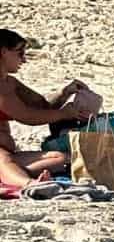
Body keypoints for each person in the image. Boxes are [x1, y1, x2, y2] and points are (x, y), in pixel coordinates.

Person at [0, 30, 96, 191]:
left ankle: (14, 176)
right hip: (3, 156)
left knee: (61, 158)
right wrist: (64, 114)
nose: (24, 59)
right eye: (19, 53)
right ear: (3, 51)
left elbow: (42, 107)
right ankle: (29, 184)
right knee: (4, 161)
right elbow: (27, 116)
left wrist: (65, 93)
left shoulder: (10, 83)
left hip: (8, 153)